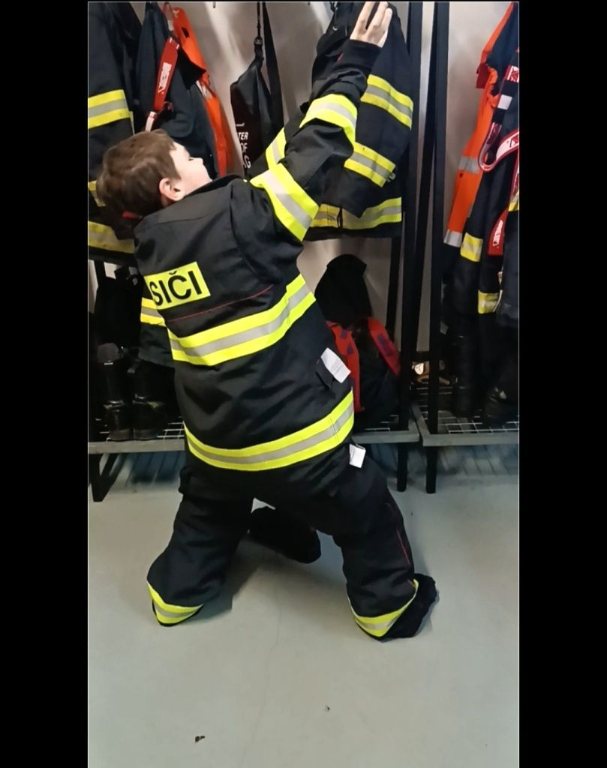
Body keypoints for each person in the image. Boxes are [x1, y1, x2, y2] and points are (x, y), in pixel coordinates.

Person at [96, 2, 437, 640]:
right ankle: (388, 608)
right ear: (171, 187)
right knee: (366, 507)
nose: (196, 155)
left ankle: (173, 597)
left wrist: (320, 86)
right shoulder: (244, 216)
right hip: (298, 443)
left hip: (215, 445)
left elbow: (267, 172)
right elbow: (314, 155)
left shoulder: (152, 248)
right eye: (184, 156)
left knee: (208, 515)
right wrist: (357, 62)